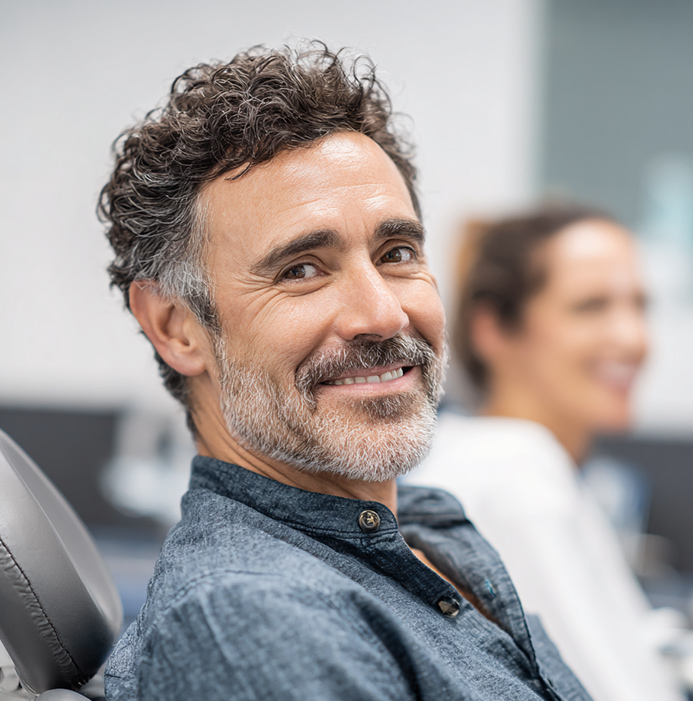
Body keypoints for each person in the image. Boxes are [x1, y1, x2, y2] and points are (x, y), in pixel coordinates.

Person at [99, 45, 591, 701]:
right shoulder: (255, 623)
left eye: (396, 253)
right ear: (175, 326)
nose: (385, 315)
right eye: (301, 269)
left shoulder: (422, 530)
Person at [410, 204, 685, 701]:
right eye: (591, 307)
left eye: (639, 306)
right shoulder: (514, 471)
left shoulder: (466, 450)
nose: (633, 338)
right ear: (492, 327)